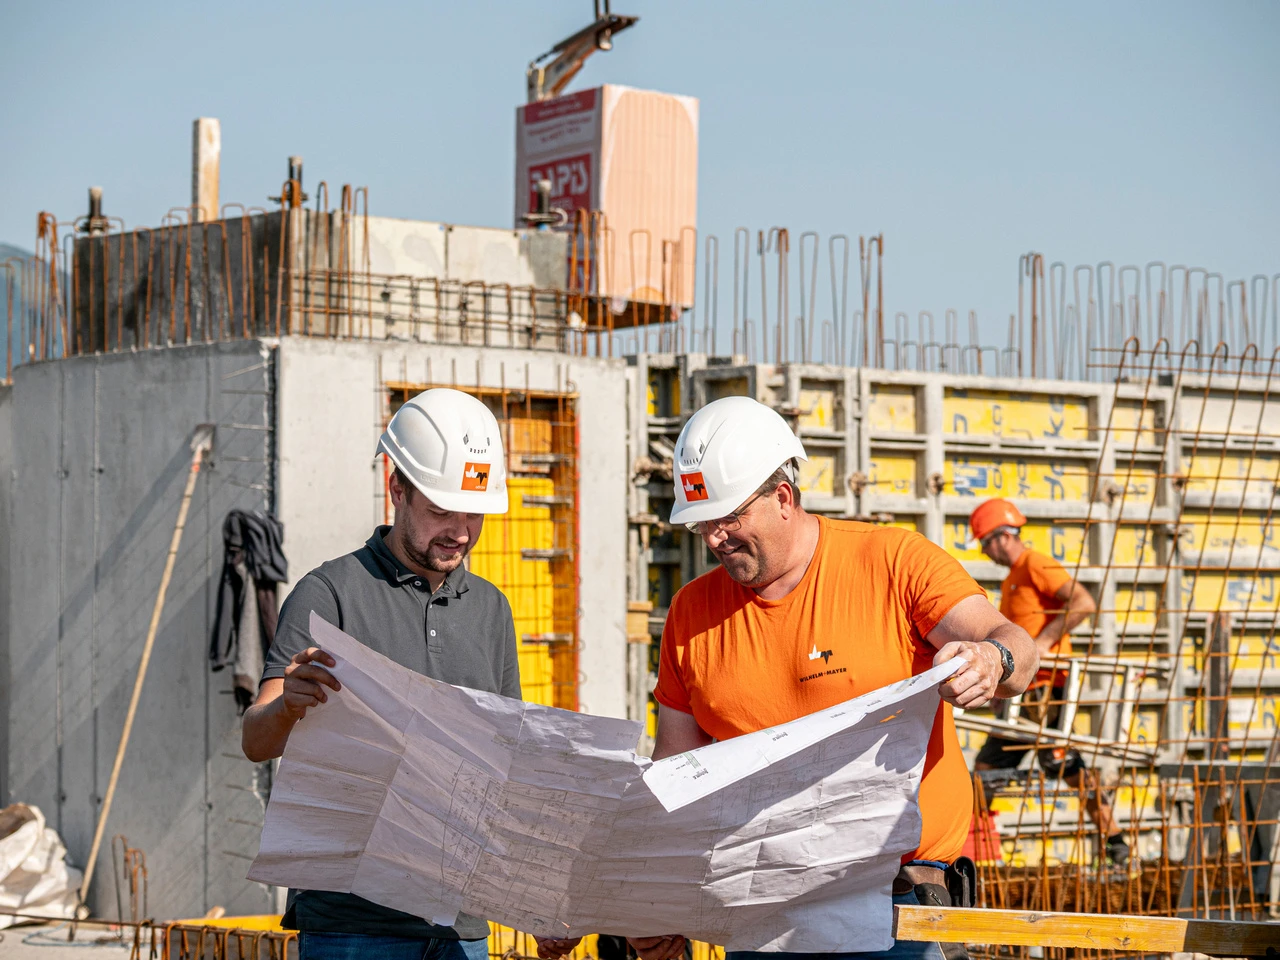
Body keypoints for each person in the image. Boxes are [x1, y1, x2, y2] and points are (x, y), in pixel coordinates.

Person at [541, 396, 1039, 960]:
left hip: (898, 899)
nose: (714, 539)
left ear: (782, 497)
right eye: (703, 523)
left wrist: (989, 661)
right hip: (764, 901)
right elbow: (677, 777)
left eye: (729, 518)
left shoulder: (893, 562)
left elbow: (1014, 647)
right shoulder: (690, 614)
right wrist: (645, 899)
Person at [243, 387, 527, 960]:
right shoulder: (328, 595)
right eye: (442, 510)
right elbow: (256, 740)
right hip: (353, 923)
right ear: (396, 487)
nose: (461, 531)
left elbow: (508, 761)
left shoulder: (492, 609)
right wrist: (288, 706)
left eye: (473, 513)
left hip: (461, 924)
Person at [967, 498, 1128, 869]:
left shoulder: (1034, 563)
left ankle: (1115, 842)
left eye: (985, 543)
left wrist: (1043, 643)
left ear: (1002, 537)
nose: (985, 552)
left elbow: (1083, 602)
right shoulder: (1012, 579)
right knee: (988, 771)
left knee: (1059, 763)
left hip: (1046, 688)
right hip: (1024, 693)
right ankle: (970, 855)